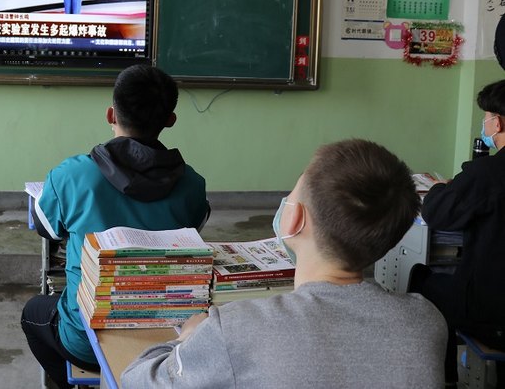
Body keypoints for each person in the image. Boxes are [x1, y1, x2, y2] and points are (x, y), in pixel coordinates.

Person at [122, 139, 447, 389]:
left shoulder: (237, 328)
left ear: (295, 218)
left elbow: (137, 380)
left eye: (292, 194)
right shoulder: (426, 321)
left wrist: (186, 339)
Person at [21, 64, 211, 389]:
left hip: (87, 342)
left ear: (111, 114)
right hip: (167, 341)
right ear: (170, 120)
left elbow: (47, 229)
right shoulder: (192, 185)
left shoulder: (72, 175)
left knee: (33, 313)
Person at [412, 79, 505, 387]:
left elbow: (438, 212)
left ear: (497, 123)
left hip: (492, 316)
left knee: (422, 281)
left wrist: (440, 189)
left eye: (486, 118)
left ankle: (445, 380)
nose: (485, 124)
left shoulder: (488, 173)